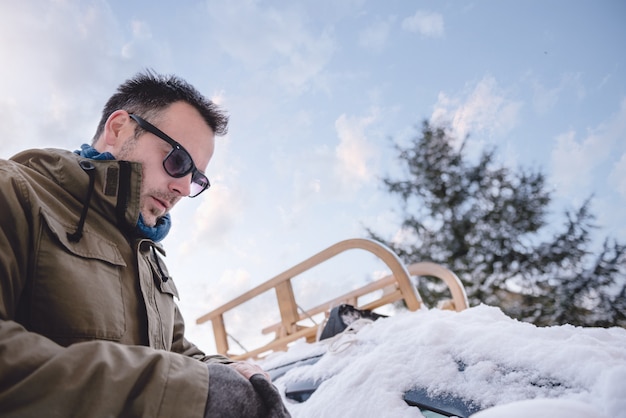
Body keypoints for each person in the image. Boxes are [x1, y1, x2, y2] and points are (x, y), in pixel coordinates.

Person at [0, 71, 290, 417]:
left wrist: (229, 372)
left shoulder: (147, 256)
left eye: (195, 177)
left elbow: (177, 351)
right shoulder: (15, 194)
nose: (183, 188)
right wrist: (183, 392)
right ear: (119, 128)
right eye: (178, 160)